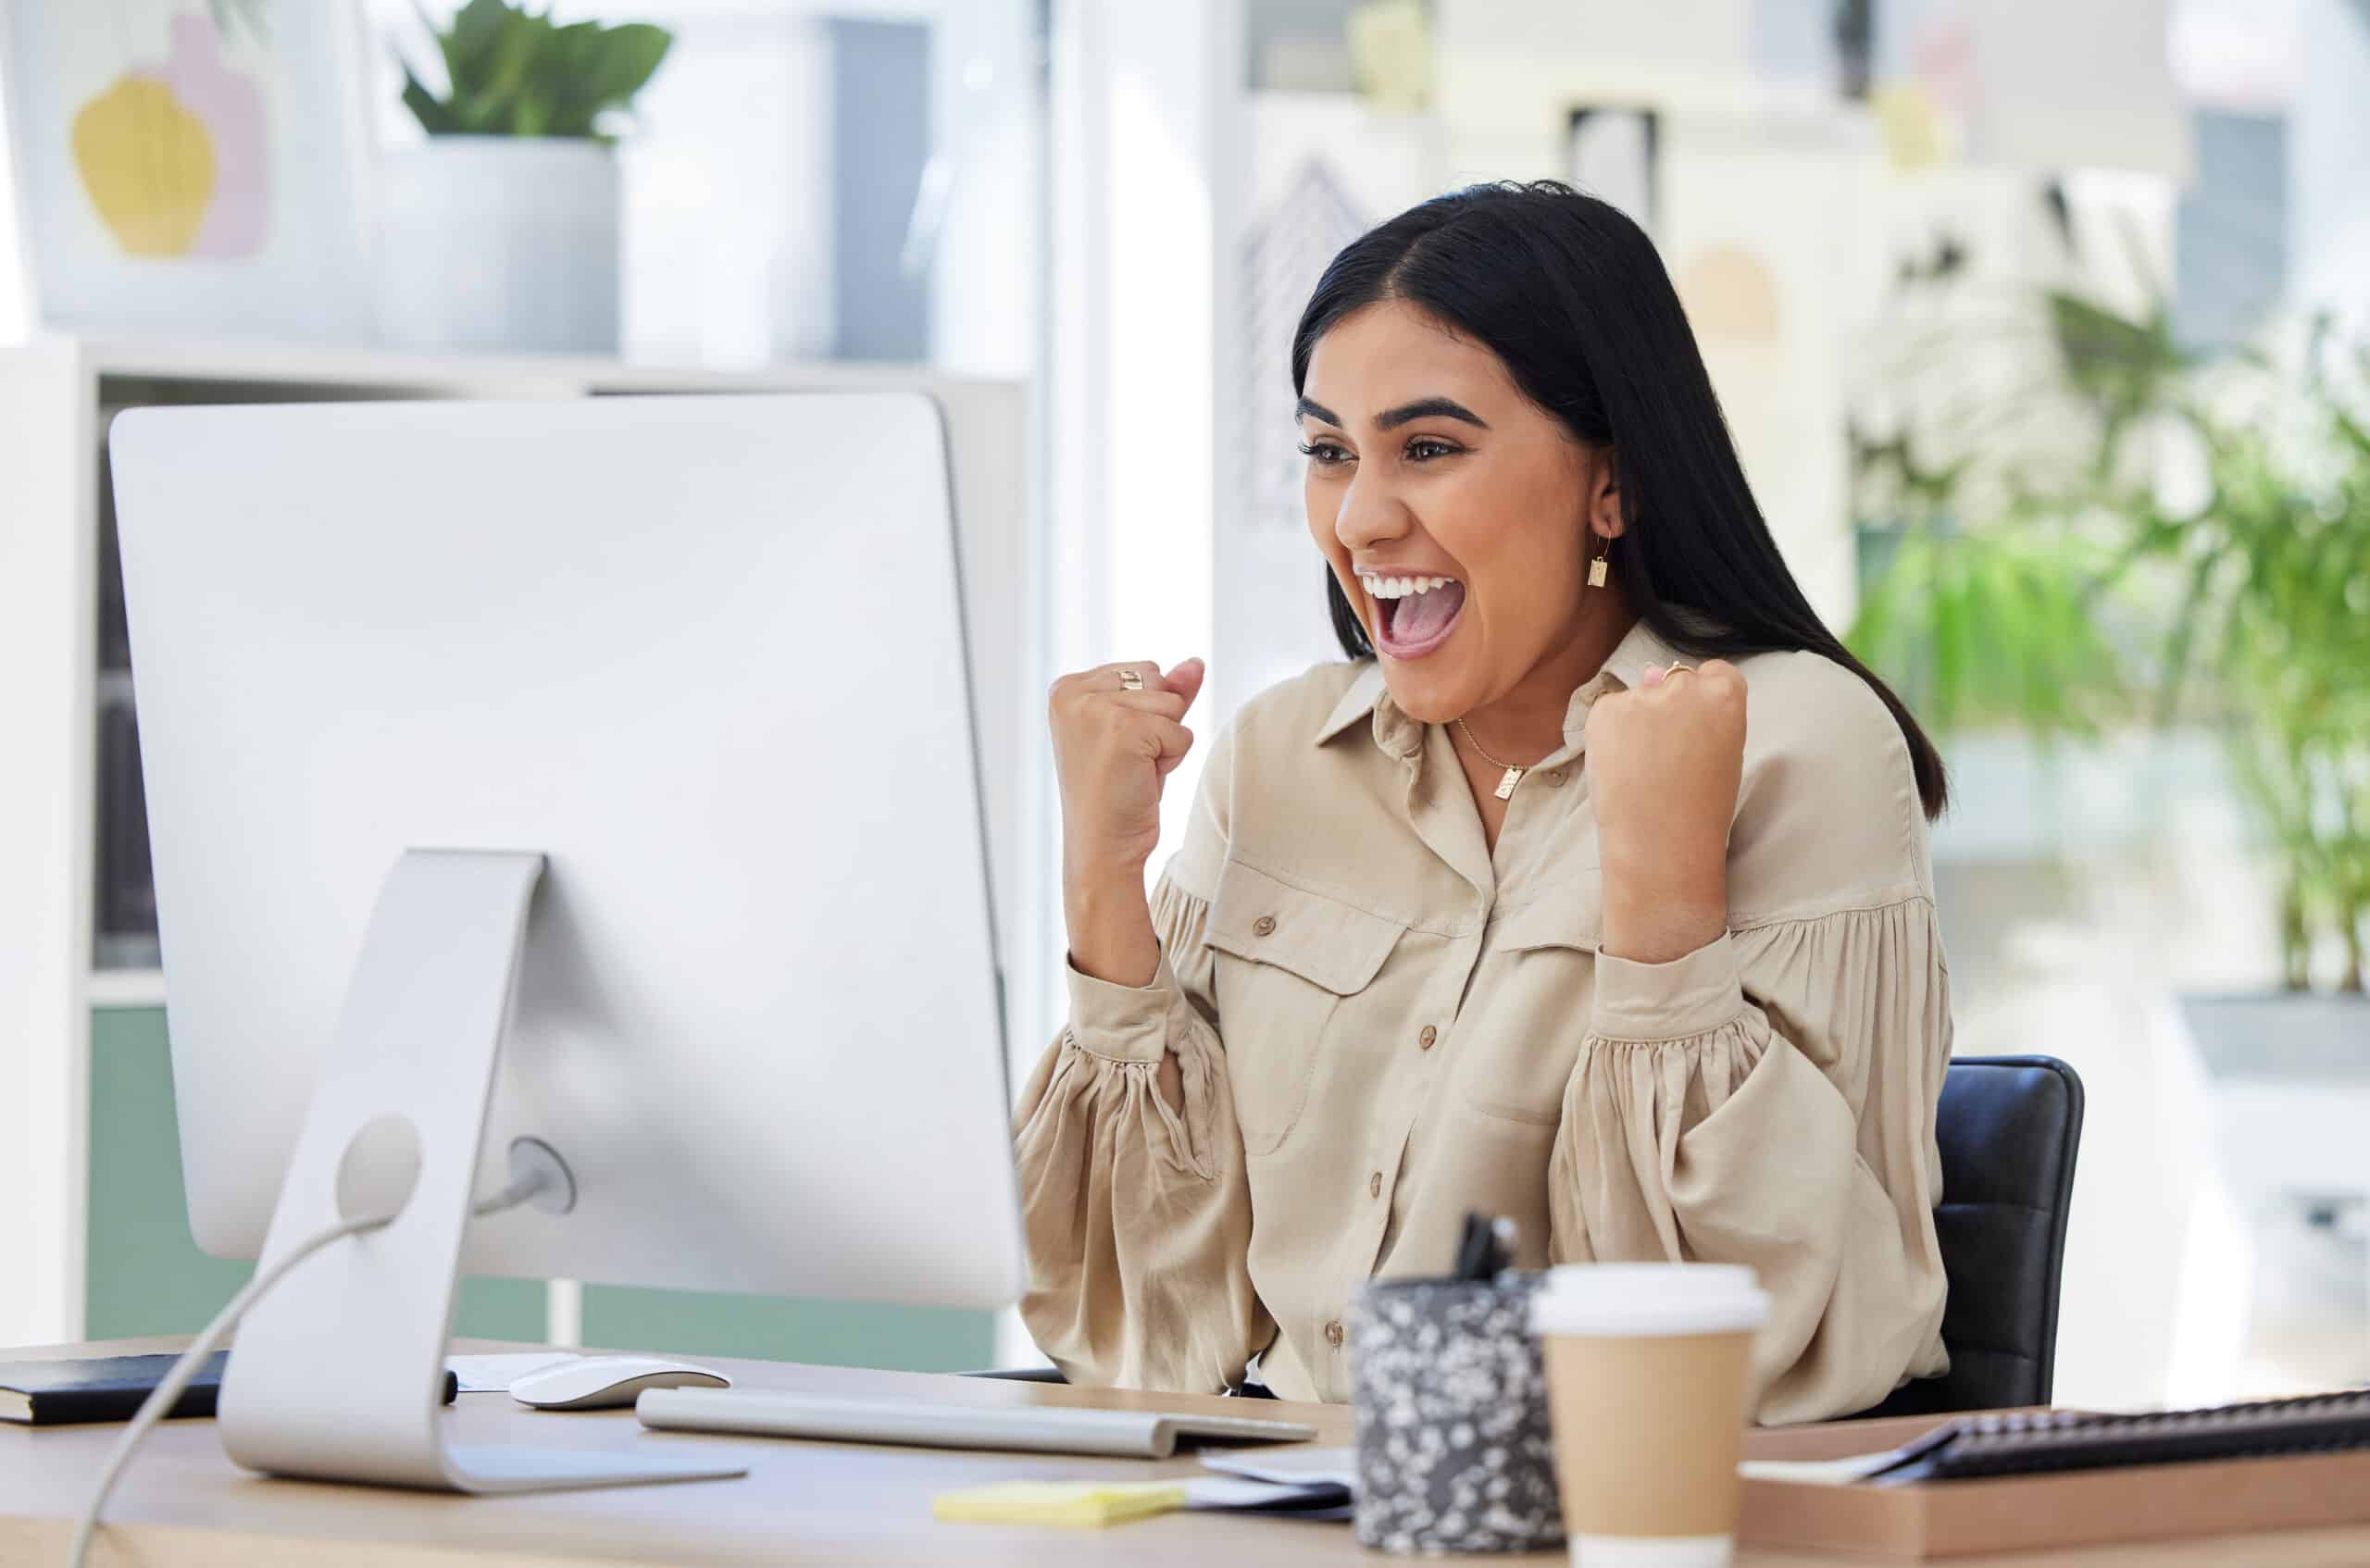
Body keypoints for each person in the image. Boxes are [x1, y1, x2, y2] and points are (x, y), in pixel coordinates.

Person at [1016, 181, 1951, 1424]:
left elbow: (1754, 1354)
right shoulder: (1275, 759)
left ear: (1609, 483)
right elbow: (1150, 1330)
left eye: (1431, 448)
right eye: (1330, 452)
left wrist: (1665, 903)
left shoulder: (1795, 744)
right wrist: (1102, 881)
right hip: (1274, 1505)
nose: (1359, 517)